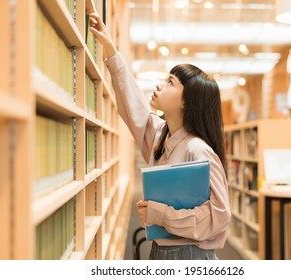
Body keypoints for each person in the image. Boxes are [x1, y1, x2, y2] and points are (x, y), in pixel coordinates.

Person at [89, 12, 231, 260]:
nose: (158, 86)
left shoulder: (197, 150)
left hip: (190, 256)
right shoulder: (160, 136)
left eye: (170, 82)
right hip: (162, 252)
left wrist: (161, 214)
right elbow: (135, 109)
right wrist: (111, 52)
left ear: (187, 102)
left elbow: (220, 216)